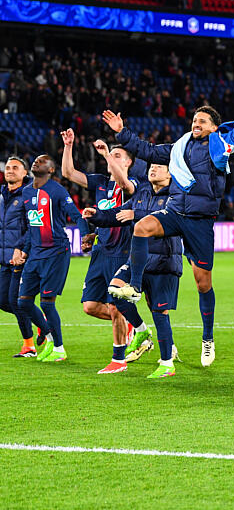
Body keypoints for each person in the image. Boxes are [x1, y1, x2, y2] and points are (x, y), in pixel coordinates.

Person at [106, 99, 234, 366]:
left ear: (213, 127)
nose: (196, 124)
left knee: (203, 284)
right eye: (194, 120)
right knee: (142, 227)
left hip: (200, 221)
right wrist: (122, 133)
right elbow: (149, 151)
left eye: (202, 121)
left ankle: (208, 338)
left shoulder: (220, 147)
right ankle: (136, 287)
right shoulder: (180, 147)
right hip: (176, 212)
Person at [84, 163, 183, 377]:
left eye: (159, 167)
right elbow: (118, 214)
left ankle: (167, 364)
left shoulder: (177, 194)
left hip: (165, 260)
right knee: (114, 291)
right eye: (152, 167)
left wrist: (135, 214)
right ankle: (140, 330)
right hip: (138, 258)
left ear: (170, 172)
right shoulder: (143, 192)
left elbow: (165, 217)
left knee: (159, 312)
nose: (153, 170)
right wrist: (96, 216)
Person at [60, 129, 139, 371]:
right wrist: (69, 145)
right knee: (90, 306)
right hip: (100, 252)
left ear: (128, 162)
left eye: (118, 155)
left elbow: (123, 181)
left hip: (122, 254)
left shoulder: (132, 185)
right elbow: (68, 173)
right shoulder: (101, 184)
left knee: (115, 306)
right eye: (111, 154)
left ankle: (118, 360)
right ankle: (131, 325)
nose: (112, 158)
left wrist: (107, 155)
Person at [12, 155, 90, 363]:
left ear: (52, 169)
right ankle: (48, 336)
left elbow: (76, 215)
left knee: (47, 303)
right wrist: (23, 249)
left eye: (43, 161)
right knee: (24, 302)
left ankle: (59, 348)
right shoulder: (27, 192)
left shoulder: (57, 191)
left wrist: (86, 235)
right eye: (36, 160)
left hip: (55, 253)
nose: (37, 162)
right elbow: (32, 226)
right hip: (35, 255)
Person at [1, 156, 47, 357]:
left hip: (22, 257)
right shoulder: (2, 195)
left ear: (24, 173)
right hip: (4, 258)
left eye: (15, 168)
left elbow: (33, 225)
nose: (10, 170)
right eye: (8, 167)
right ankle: (40, 320)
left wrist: (22, 249)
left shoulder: (30, 195)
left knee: (16, 300)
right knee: (3, 300)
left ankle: (29, 345)